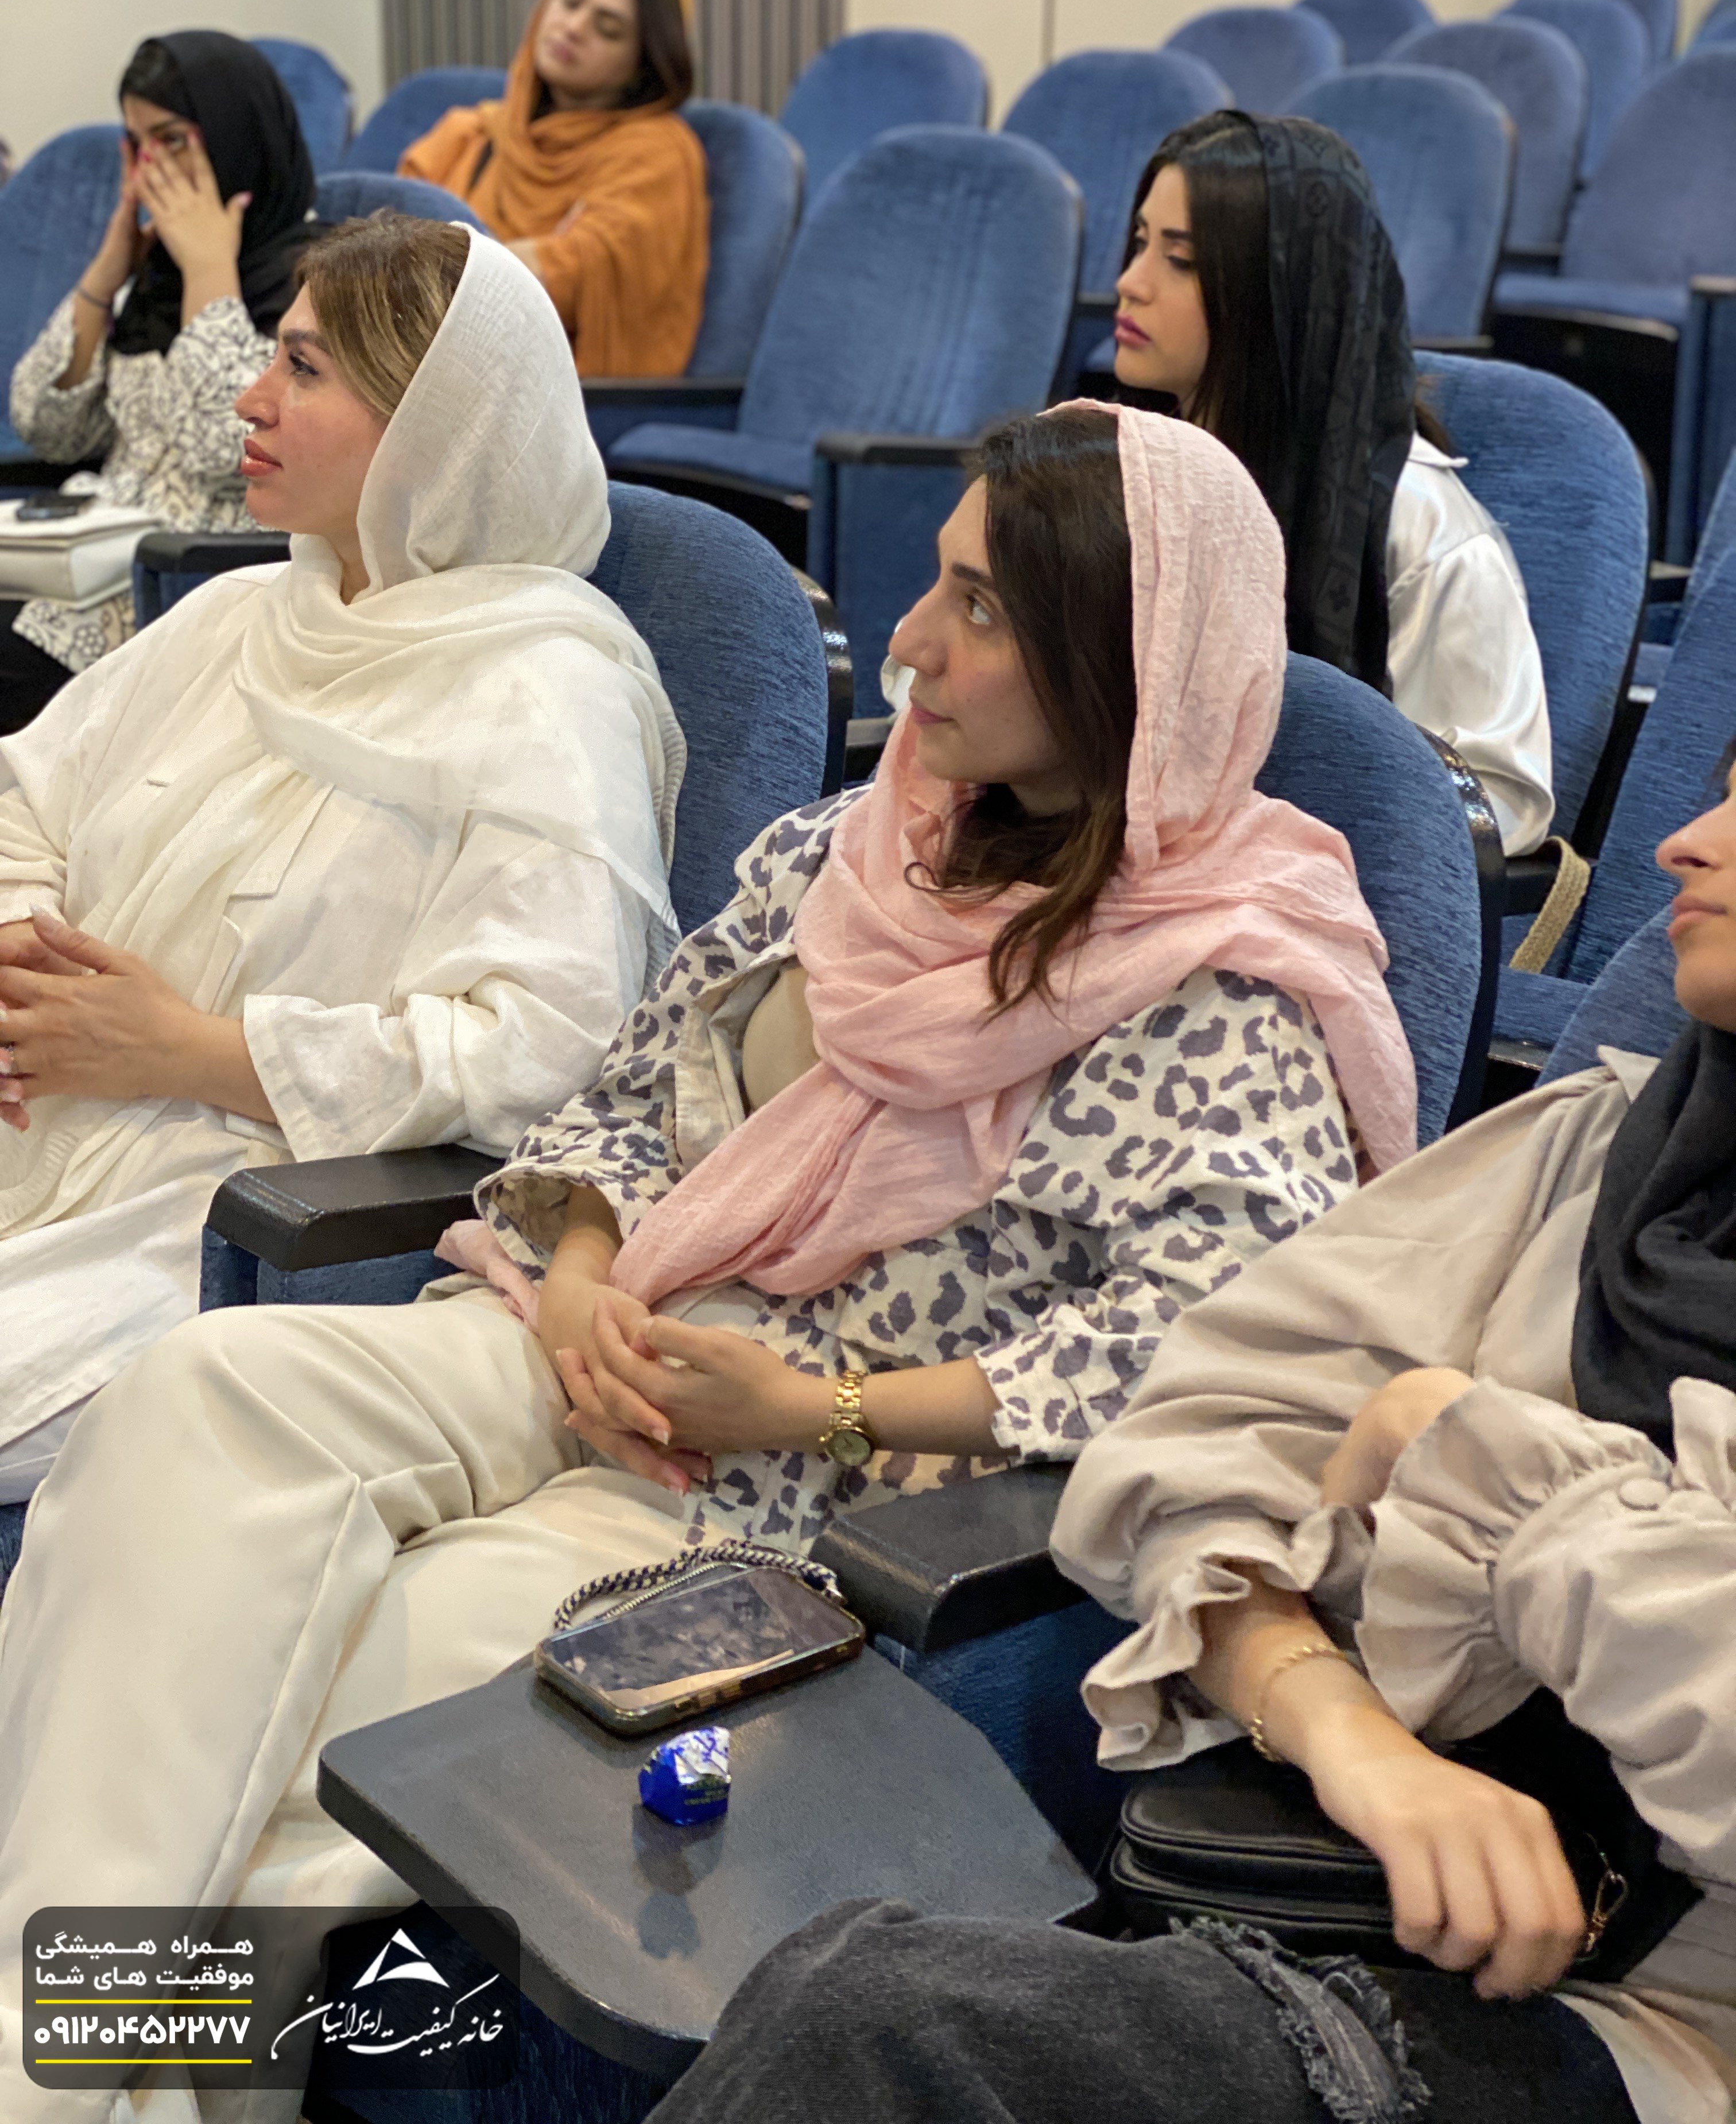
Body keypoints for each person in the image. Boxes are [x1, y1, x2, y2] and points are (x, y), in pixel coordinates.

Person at [0, 403, 1419, 2111]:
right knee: (195, 1401)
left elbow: (1189, 1355)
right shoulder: (856, 848)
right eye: (938, 583)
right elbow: (616, 1100)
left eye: (979, 608)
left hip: (786, 1491)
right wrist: (581, 1278)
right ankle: (39, 2055)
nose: (909, 640)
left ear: (1122, 668)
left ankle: (72, 2067)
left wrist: (813, 1407)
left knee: (339, 1714)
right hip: (596, 1336)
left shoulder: (1224, 989)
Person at [637, 765, 1736, 2124]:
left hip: (1657, 2028)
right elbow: (1194, 1439)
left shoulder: (1231, 981)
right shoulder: (1614, 1154)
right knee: (825, 1984)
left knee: (873, 2029)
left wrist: (1476, 1468)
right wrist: (1346, 1733)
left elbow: (1157, 1365)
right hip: (1338, 1868)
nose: (1685, 844)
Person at [0, 213, 684, 1505]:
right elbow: (26, 795)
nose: (250, 399)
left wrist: (194, 1050)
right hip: (48, 1099)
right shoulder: (238, 615)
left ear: (432, 425)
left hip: (245, 1208)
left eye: (303, 369)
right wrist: (24, 948)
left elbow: (549, 1055)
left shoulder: (542, 695)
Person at [1111, 109, 1553, 856]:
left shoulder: (1423, 528)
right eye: (1140, 243)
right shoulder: (1127, 466)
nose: (1131, 283)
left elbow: (1496, 803)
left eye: (1180, 260)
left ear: (1277, 291)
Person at [4, 32, 319, 726]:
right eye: (138, 143)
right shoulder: (152, 278)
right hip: (78, 569)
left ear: (238, 138)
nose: (153, 170)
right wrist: (109, 268)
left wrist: (211, 270)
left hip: (183, 592)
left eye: (174, 140)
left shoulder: (317, 286)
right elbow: (46, 428)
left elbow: (226, 450)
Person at [400, 0, 708, 378]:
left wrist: (439, 267)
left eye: (607, 29)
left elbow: (571, 278)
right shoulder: (474, 134)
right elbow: (389, 247)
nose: (574, 28)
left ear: (643, 63)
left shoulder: (657, 154)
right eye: (570, 1)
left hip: (550, 393)